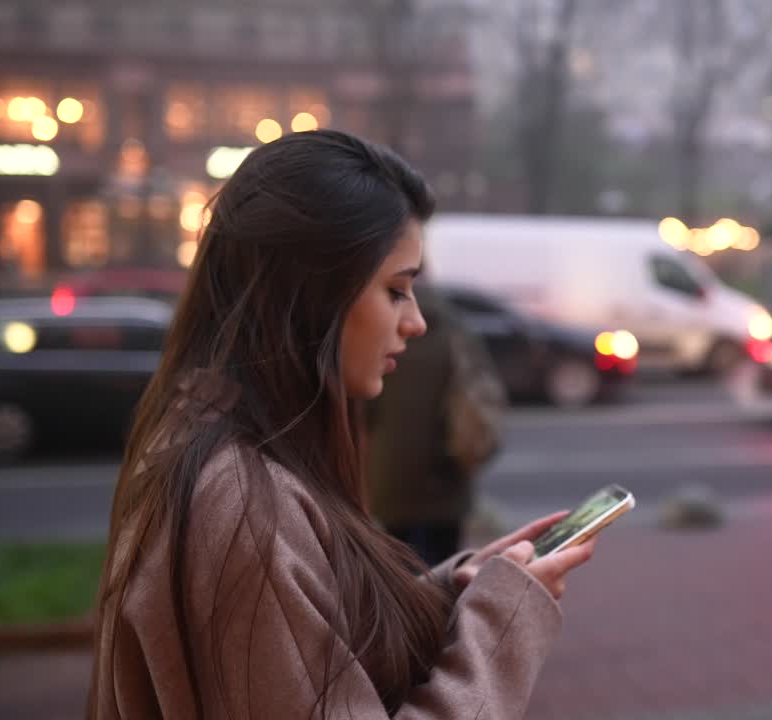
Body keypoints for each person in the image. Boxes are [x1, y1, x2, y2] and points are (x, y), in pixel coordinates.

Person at [87, 129, 594, 719]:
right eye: (396, 290)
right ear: (314, 293)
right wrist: (499, 631)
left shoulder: (223, 444)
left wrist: (459, 595)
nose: (416, 322)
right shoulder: (243, 502)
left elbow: (310, 653)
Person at [365, 282, 506, 567]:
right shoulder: (456, 328)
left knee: (400, 569)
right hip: (448, 470)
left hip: (392, 474)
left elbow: (365, 409)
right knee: (446, 567)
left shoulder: (381, 331)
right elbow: (485, 387)